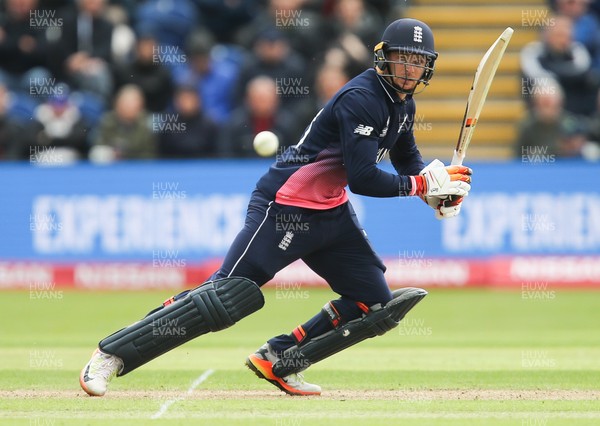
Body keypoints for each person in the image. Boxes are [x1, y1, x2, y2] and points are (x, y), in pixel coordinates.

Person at [80, 19, 472, 397]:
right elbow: (363, 177)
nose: (410, 68)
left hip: (330, 213)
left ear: (428, 67)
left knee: (373, 301)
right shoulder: (364, 99)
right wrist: (421, 185)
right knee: (224, 298)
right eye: (403, 58)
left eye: (418, 61)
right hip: (285, 205)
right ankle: (111, 355)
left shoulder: (402, 106)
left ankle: (281, 356)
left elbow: (407, 162)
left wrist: (436, 191)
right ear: (384, 58)